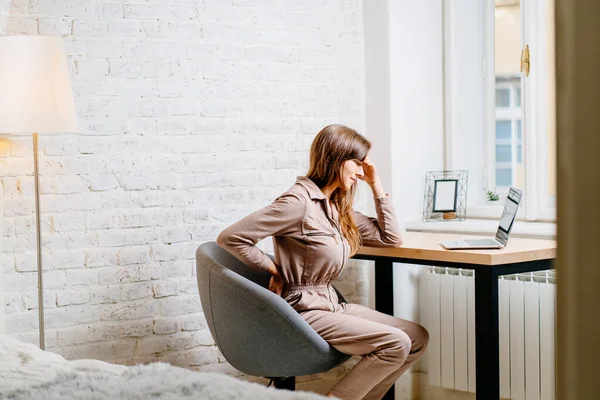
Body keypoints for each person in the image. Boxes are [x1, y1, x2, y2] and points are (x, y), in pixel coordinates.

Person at [216, 124, 429, 400]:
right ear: (336, 159)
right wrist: (274, 269)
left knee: (415, 337)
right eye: (357, 162)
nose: (361, 170)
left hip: (332, 304)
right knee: (394, 343)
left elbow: (391, 238)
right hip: (304, 309)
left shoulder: (336, 206)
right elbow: (231, 238)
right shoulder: (298, 202)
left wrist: (376, 185)